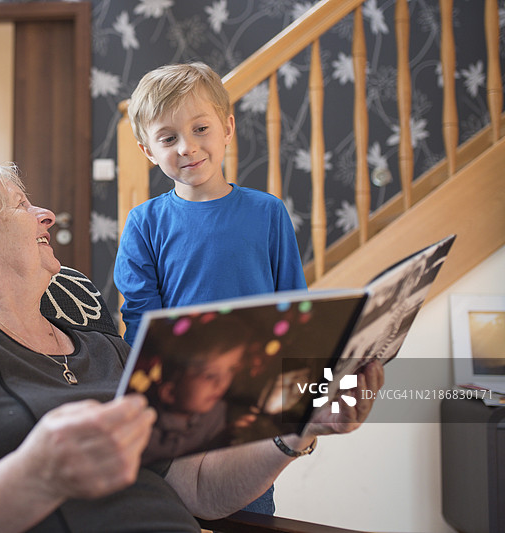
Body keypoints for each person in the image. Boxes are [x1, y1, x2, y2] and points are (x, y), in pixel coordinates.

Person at [0, 160, 384, 533]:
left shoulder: (106, 350)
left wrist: (299, 425)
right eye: (21, 205)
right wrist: (37, 475)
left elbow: (200, 489)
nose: (47, 216)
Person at [114, 62, 308, 514]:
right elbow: (140, 323)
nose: (187, 147)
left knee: (248, 510)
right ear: (148, 151)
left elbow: (294, 308)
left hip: (251, 402)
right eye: (168, 138)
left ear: (227, 129)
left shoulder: (268, 213)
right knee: (172, 512)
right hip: (177, 405)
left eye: (200, 128)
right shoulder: (144, 223)